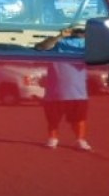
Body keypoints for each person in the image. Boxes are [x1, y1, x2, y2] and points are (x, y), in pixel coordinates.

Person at [35, 21, 90, 150]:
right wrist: (60, 35)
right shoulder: (58, 42)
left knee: (79, 118)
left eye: (82, 31)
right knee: (53, 118)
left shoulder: (90, 44)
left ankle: (80, 140)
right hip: (55, 91)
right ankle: (53, 138)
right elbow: (41, 47)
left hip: (79, 91)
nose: (79, 33)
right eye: (76, 30)